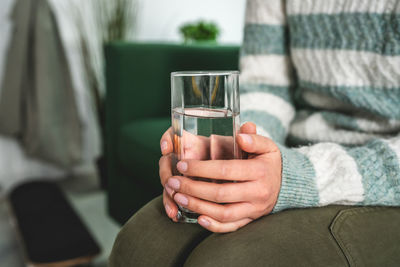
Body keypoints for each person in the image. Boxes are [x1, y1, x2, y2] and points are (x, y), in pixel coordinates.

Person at [110, 0, 400, 266]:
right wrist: (242, 153)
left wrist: (298, 177)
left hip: (381, 184)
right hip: (294, 153)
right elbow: (266, 86)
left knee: (231, 260)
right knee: (140, 241)